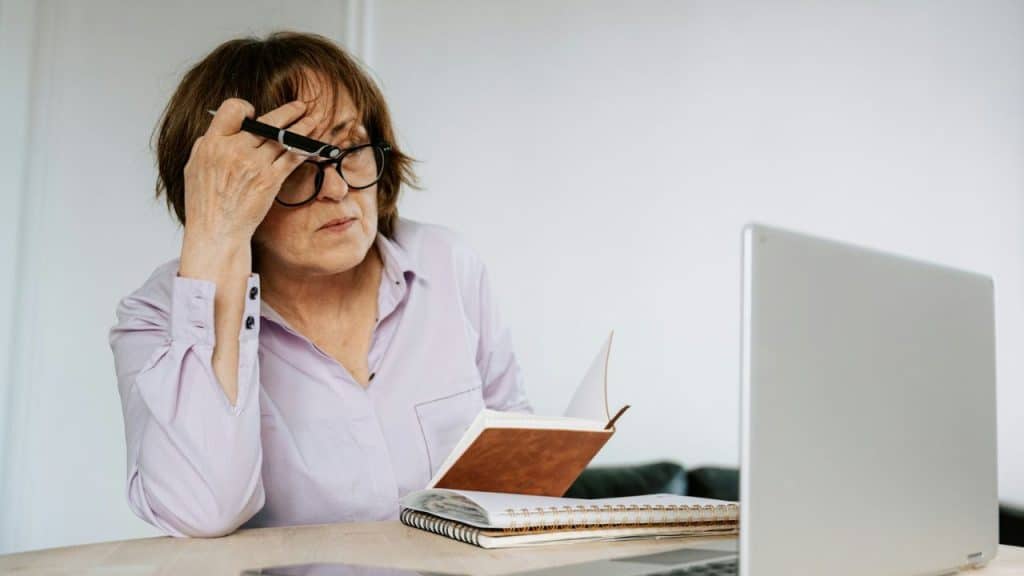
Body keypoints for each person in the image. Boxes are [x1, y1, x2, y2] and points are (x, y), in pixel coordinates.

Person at [108, 31, 531, 538]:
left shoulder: (447, 263)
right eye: (295, 164)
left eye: (349, 148)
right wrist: (215, 239)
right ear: (229, 184)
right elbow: (202, 510)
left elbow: (521, 465)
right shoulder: (157, 316)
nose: (335, 188)